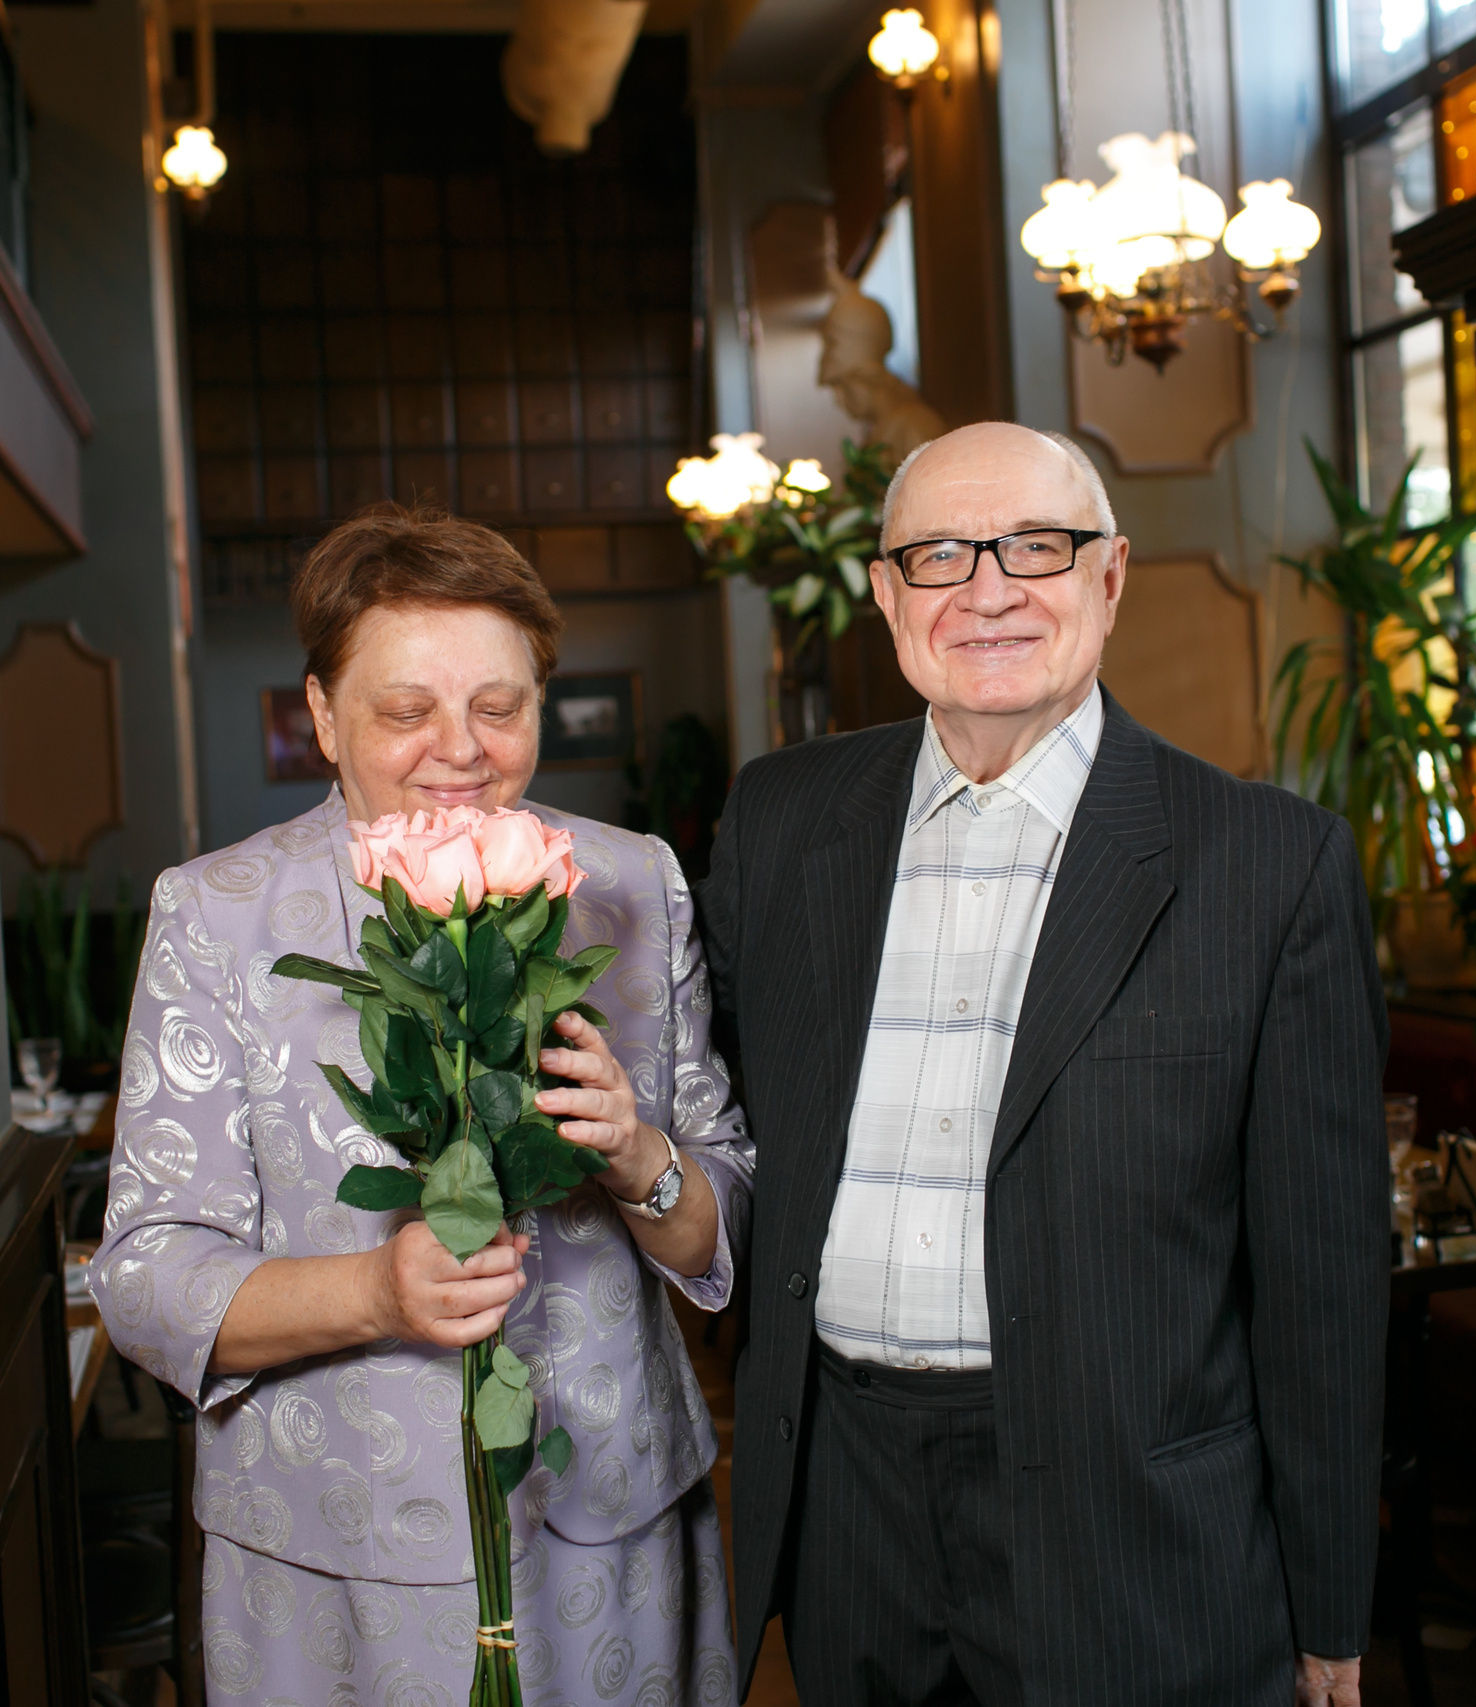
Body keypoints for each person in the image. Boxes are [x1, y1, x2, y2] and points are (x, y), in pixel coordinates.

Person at [701, 423, 1387, 1707]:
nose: (988, 590)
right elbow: (716, 1125)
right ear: (886, 595)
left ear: (1111, 578)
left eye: (1036, 547)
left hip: (1134, 1526)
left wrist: (1331, 1603)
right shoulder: (780, 819)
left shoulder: (1265, 863)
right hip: (846, 1503)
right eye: (940, 555)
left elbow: (1324, 1278)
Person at [97, 505, 752, 1707]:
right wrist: (375, 1293)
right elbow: (140, 1275)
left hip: (606, 1524)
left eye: (498, 707)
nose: (461, 749)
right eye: (407, 710)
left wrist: (639, 1156)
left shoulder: (635, 883)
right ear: (322, 716)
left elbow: (721, 1225)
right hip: (329, 1553)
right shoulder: (214, 914)